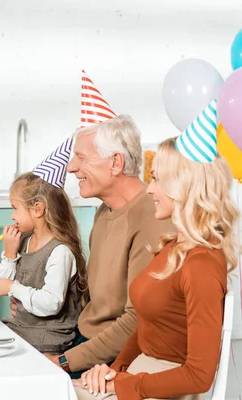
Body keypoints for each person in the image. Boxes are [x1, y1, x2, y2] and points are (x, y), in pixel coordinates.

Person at [76, 101, 239, 399]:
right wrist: (117, 370)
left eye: (157, 180)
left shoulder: (202, 263)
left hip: (162, 386)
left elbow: (200, 376)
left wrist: (126, 384)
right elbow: (147, 325)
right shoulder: (174, 248)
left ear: (185, 187)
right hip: (140, 372)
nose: (149, 190)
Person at [22, 114, 176, 377]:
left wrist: (63, 361)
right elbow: (96, 301)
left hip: (112, 355)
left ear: (116, 162)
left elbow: (138, 321)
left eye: (81, 157)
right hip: (83, 341)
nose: (71, 167)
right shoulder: (104, 213)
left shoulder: (152, 218)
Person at [0, 138, 88, 354]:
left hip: (48, 339)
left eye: (15, 208)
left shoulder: (60, 252)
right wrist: (9, 253)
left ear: (37, 209)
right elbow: (4, 287)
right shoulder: (25, 242)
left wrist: (13, 288)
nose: (12, 215)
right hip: (23, 330)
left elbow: (51, 302)